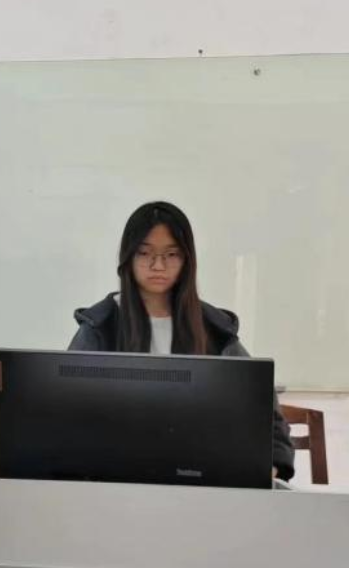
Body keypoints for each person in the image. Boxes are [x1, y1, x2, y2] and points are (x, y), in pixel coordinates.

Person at [67, 201, 296, 481]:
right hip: (114, 481)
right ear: (128, 257)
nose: (158, 265)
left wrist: (272, 464)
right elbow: (66, 412)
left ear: (187, 260)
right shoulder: (100, 326)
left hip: (199, 481)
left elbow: (264, 411)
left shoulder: (214, 329)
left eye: (171, 254)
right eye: (144, 253)